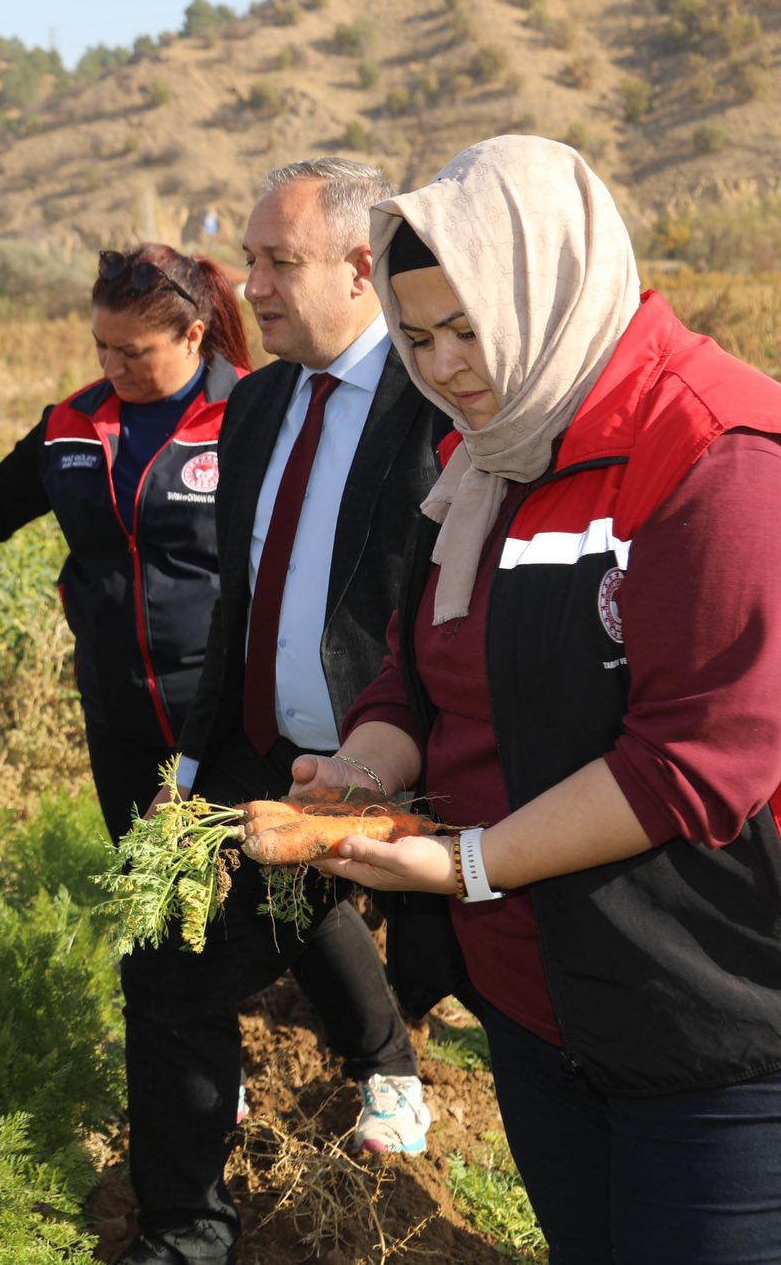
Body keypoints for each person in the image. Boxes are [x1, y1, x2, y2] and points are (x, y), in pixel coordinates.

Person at [305, 135, 781, 1262]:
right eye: (416, 339)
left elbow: (701, 757)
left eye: (469, 327)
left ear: (548, 284)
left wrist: (467, 861)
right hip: (535, 1007)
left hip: (714, 1018)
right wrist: (362, 770)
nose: (448, 366)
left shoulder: (712, 449)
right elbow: (413, 671)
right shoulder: (493, 452)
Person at [136, 158, 450, 1265]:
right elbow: (247, 590)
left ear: (362, 267)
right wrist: (195, 747)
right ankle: (186, 1227)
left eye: (279, 261)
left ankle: (391, 1062)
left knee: (297, 940)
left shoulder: (439, 401)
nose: (249, 285)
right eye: (252, 258)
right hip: (252, 744)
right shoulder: (261, 400)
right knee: (165, 956)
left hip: (387, 759)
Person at [0, 245, 247, 836]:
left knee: (258, 912)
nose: (112, 367)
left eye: (132, 352)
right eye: (101, 345)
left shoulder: (252, 416)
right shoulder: (71, 424)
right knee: (142, 896)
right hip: (116, 712)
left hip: (229, 716)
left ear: (192, 336)